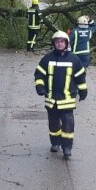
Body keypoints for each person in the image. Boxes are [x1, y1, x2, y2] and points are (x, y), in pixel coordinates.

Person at [34, 31, 88, 159]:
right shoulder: (47, 59)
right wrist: (40, 87)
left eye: (62, 41)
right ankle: (55, 143)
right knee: (53, 124)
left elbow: (81, 77)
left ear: (66, 43)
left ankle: (67, 147)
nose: (59, 44)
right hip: (51, 99)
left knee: (68, 123)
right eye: (57, 42)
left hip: (67, 99)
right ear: (54, 43)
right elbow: (39, 75)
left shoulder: (74, 59)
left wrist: (83, 91)